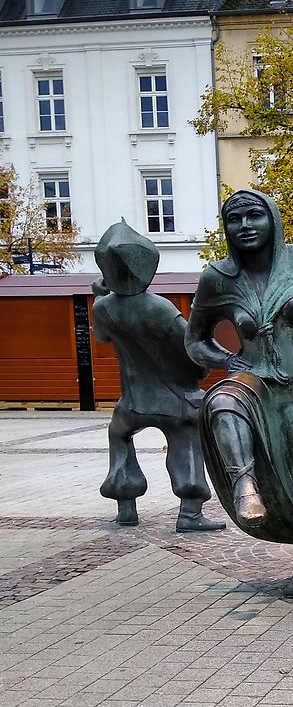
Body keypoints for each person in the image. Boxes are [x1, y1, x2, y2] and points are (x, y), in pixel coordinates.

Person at [185, 190, 293, 596]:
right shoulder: (218, 278)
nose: (244, 226)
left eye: (254, 216)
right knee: (223, 399)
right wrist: (229, 360)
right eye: (234, 219)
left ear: (272, 219)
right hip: (256, 381)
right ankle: (246, 487)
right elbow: (195, 341)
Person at [92, 220, 225, 533]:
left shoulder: (103, 309)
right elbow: (190, 348)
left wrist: (102, 293)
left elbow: (101, 338)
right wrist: (202, 370)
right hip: (174, 401)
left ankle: (126, 508)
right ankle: (190, 514)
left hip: (132, 403)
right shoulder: (161, 308)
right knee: (187, 443)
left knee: (119, 436)